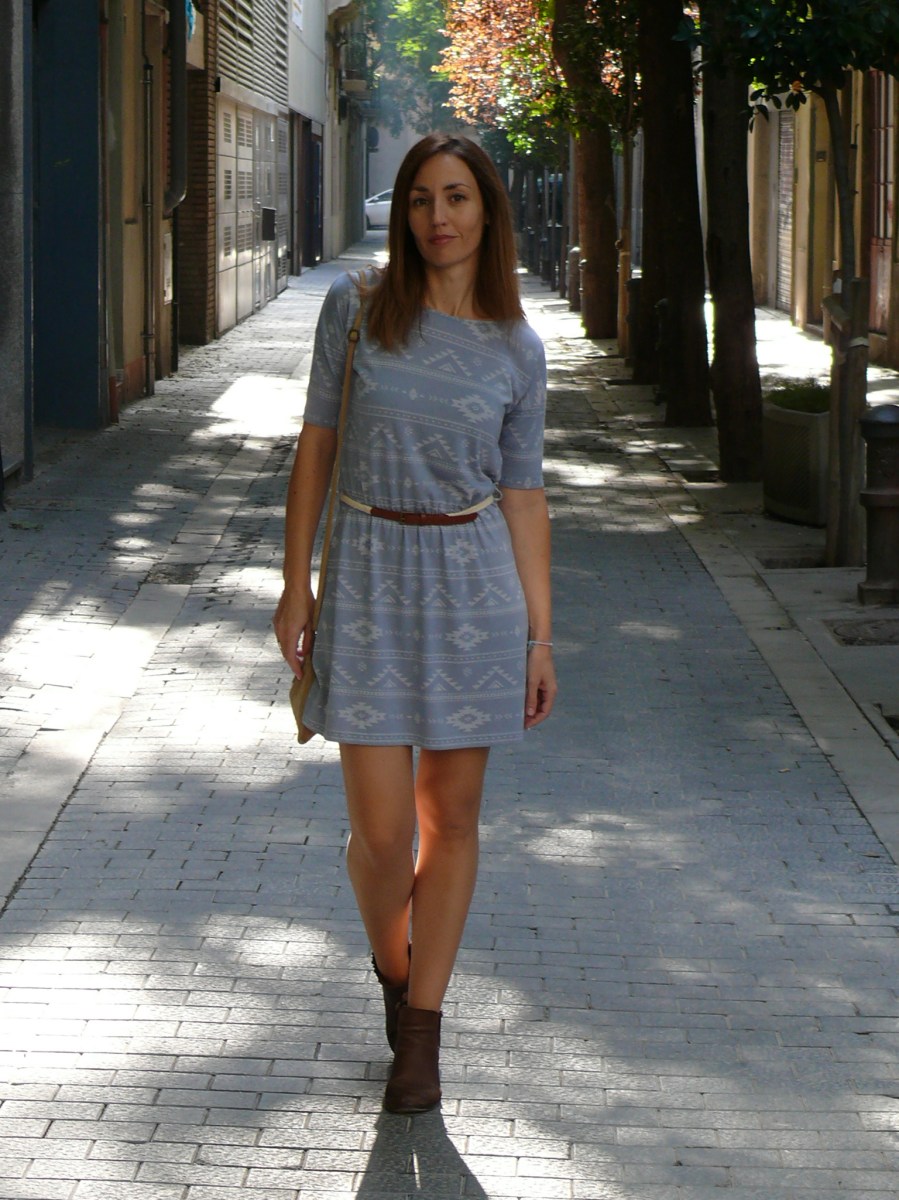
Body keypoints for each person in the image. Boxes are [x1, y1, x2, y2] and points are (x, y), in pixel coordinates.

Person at [273, 132, 557, 1114]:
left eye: (457, 197)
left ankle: (422, 1034)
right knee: (384, 835)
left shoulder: (518, 348)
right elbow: (315, 447)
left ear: (486, 211)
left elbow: (524, 496)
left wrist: (539, 637)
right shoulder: (355, 311)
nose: (439, 216)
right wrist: (295, 585)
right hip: (366, 580)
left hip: (475, 590)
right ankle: (395, 976)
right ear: (402, 213)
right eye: (422, 199)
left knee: (452, 819)